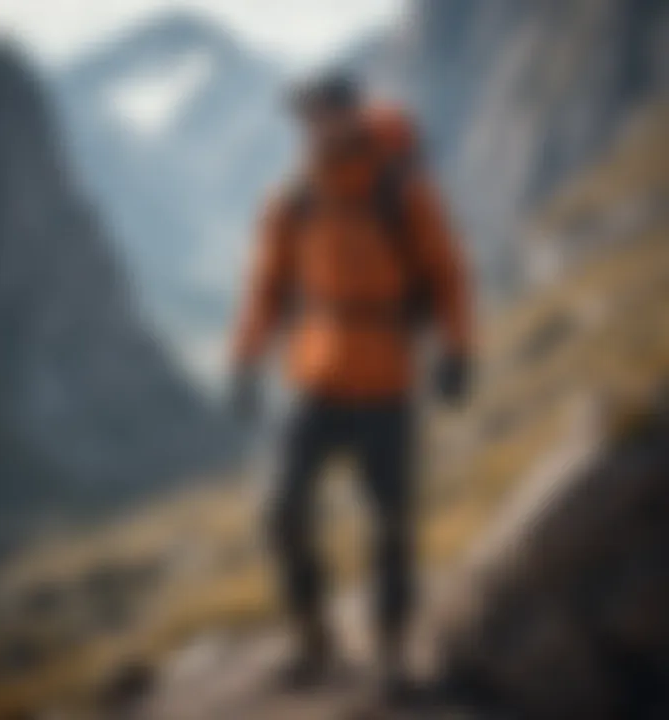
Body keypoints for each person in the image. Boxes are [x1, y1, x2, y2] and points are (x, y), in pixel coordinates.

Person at [230, 72, 473, 698]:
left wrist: (457, 349)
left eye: (323, 115)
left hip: (388, 383)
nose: (313, 129)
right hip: (314, 380)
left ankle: (392, 653)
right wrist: (245, 360)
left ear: (351, 114)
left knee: (391, 523)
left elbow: (447, 274)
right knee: (283, 511)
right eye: (305, 119)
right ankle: (313, 641)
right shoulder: (293, 195)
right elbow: (267, 285)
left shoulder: (401, 189)